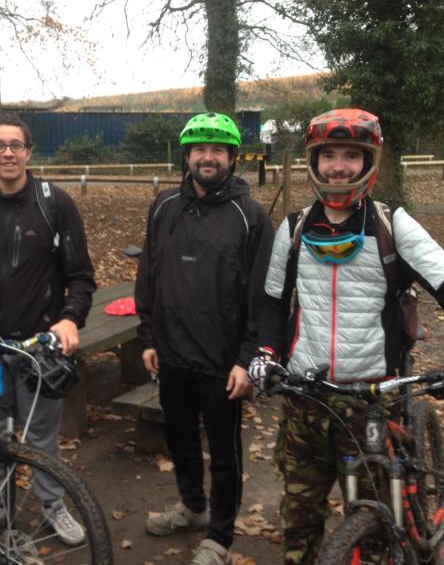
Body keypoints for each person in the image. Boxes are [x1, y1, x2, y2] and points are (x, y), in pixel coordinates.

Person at [247, 108, 444, 564]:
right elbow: (271, 303)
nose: (338, 166)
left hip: (372, 400)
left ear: (369, 163)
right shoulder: (294, 228)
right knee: (299, 519)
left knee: (379, 526)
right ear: (314, 160)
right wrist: (265, 353)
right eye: (328, 155)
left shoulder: (392, 224)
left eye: (351, 155)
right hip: (306, 398)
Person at [0, 113, 96, 545]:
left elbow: (81, 274)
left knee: (42, 433)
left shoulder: (55, 204)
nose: (8, 152)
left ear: (29, 151)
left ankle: (52, 505)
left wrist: (70, 318)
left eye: (16, 144)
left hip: (39, 341)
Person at [135, 112, 274, 565]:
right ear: (187, 155)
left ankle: (220, 536)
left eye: (217, 149)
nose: (207, 157)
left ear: (232, 157)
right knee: (180, 439)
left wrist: (248, 357)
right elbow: (148, 274)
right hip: (172, 352)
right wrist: (148, 336)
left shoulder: (250, 215)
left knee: (225, 451)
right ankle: (193, 506)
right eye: (199, 149)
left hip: (223, 361)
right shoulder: (164, 206)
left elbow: (263, 294)